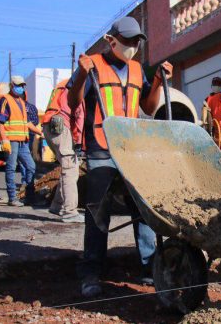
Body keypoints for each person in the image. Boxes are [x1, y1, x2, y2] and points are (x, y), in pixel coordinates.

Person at [67, 17, 173, 297]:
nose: (132, 46)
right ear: (111, 40)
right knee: (98, 212)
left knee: (144, 209)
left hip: (131, 149)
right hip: (102, 147)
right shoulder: (93, 66)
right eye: (127, 41)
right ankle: (91, 270)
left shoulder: (138, 69)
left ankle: (150, 268)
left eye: (136, 41)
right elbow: (73, 102)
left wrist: (159, 83)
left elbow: (148, 108)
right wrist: (80, 74)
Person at [42, 80, 85, 223]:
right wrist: (79, 142)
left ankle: (57, 205)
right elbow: (80, 114)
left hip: (50, 124)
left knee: (69, 166)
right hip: (60, 124)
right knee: (71, 168)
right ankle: (70, 211)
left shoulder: (63, 83)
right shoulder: (81, 85)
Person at [0, 76, 41, 207]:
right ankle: (12, 198)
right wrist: (4, 139)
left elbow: (26, 123)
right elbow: (0, 122)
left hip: (23, 141)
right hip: (11, 140)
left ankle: (29, 196)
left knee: (31, 167)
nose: (21, 88)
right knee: (11, 168)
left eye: (22, 85)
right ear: (12, 86)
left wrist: (40, 132)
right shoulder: (5, 100)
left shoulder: (21, 102)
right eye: (18, 85)